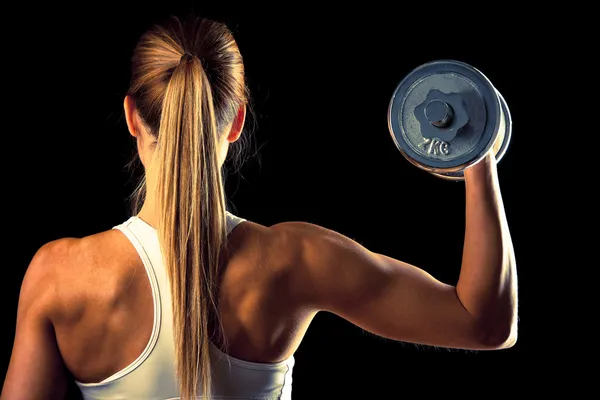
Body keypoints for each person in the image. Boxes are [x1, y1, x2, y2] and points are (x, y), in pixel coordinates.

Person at [1, 15, 518, 400]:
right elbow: (483, 323)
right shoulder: (294, 260)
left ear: (133, 117)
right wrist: (479, 156)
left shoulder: (60, 277)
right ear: (235, 121)